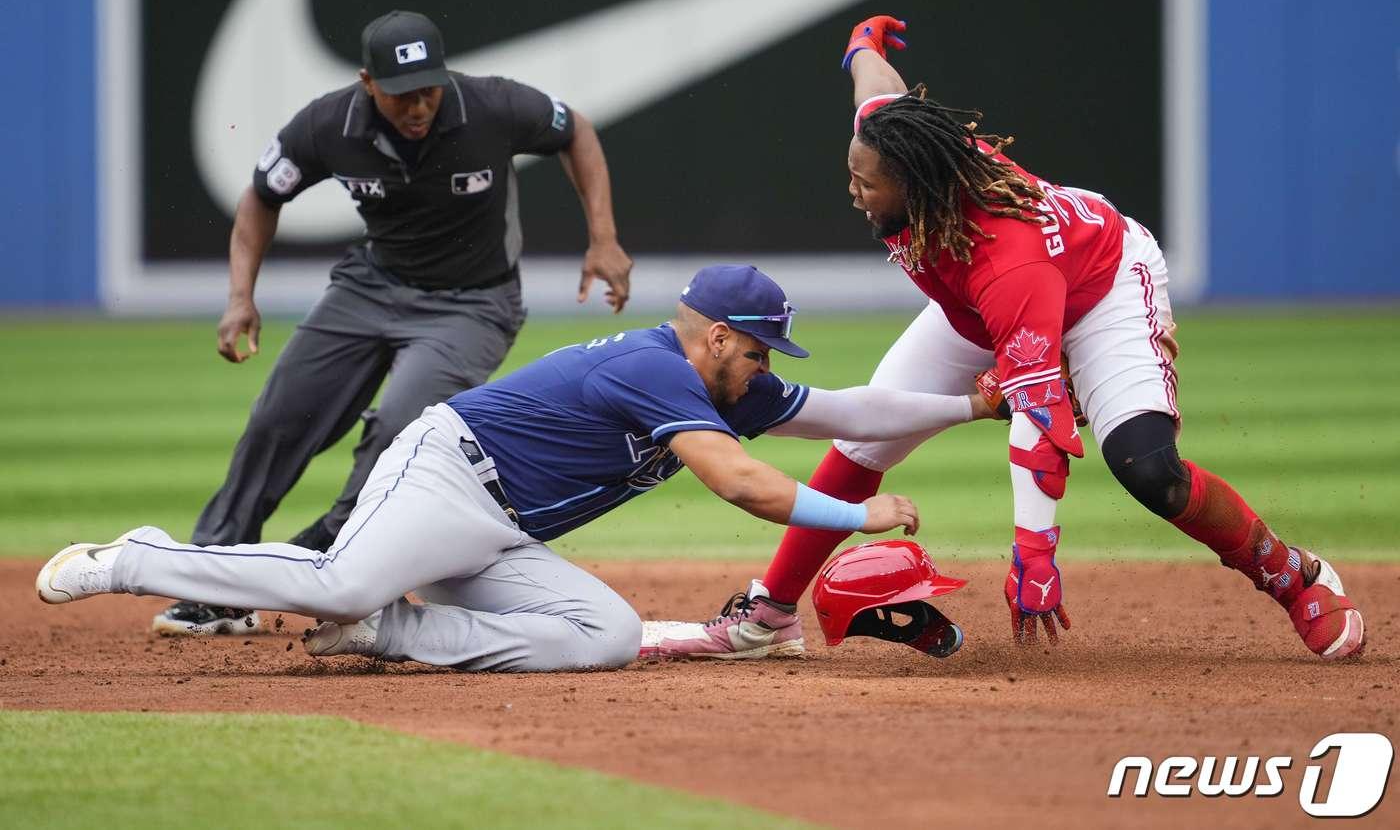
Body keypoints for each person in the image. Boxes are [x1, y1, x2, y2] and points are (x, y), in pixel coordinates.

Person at [647, 16, 1365, 662]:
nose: (853, 189)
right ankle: (770, 613)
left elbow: (1038, 417)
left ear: (913, 183)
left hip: (1098, 286)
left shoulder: (1005, 252)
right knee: (866, 443)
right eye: (851, 171)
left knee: (1149, 470)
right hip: (977, 308)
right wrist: (861, 48)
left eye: (865, 181)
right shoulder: (900, 148)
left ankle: (1288, 573)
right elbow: (878, 92)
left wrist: (1034, 547)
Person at [38, 265, 999, 673]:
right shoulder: (655, 367)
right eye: (758, 353)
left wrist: (970, 404)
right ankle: (136, 559)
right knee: (337, 579)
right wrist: (855, 515)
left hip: (498, 529)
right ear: (717, 336)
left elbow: (848, 407)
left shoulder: (723, 382)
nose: (766, 371)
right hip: (444, 474)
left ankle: (394, 632)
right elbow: (743, 484)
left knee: (608, 634)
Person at [152, 10, 634, 637]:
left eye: (428, 89)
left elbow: (577, 131)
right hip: (371, 287)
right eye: (402, 93)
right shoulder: (328, 124)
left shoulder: (490, 106)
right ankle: (215, 575)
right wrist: (240, 296)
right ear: (366, 83)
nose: (418, 105)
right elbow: (261, 198)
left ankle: (315, 567)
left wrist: (603, 237)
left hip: (473, 303)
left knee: (395, 435)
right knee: (279, 418)